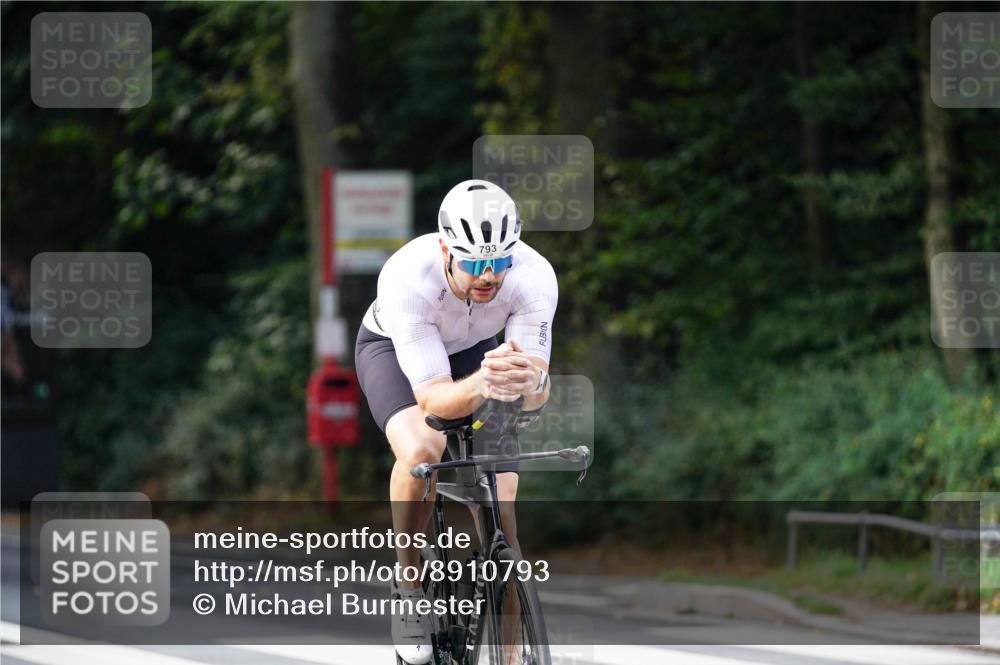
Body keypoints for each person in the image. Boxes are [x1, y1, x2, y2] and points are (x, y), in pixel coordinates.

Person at [354, 179, 558, 664]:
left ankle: (510, 655)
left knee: (502, 512)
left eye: (499, 262)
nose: (488, 275)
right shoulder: (407, 278)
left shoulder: (533, 276)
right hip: (395, 351)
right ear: (446, 248)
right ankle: (409, 587)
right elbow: (434, 398)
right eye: (473, 263)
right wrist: (483, 385)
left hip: (480, 355)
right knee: (424, 451)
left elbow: (538, 392)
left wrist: (529, 383)